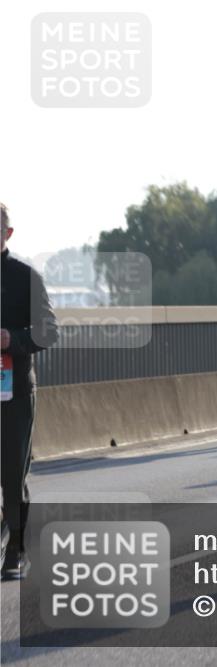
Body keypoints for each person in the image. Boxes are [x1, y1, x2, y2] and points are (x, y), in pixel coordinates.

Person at [1, 203, 58, 579]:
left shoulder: (25, 277)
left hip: (14, 393)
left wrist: (12, 339)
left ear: (7, 234)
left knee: (10, 474)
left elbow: (49, 330)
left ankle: (16, 551)